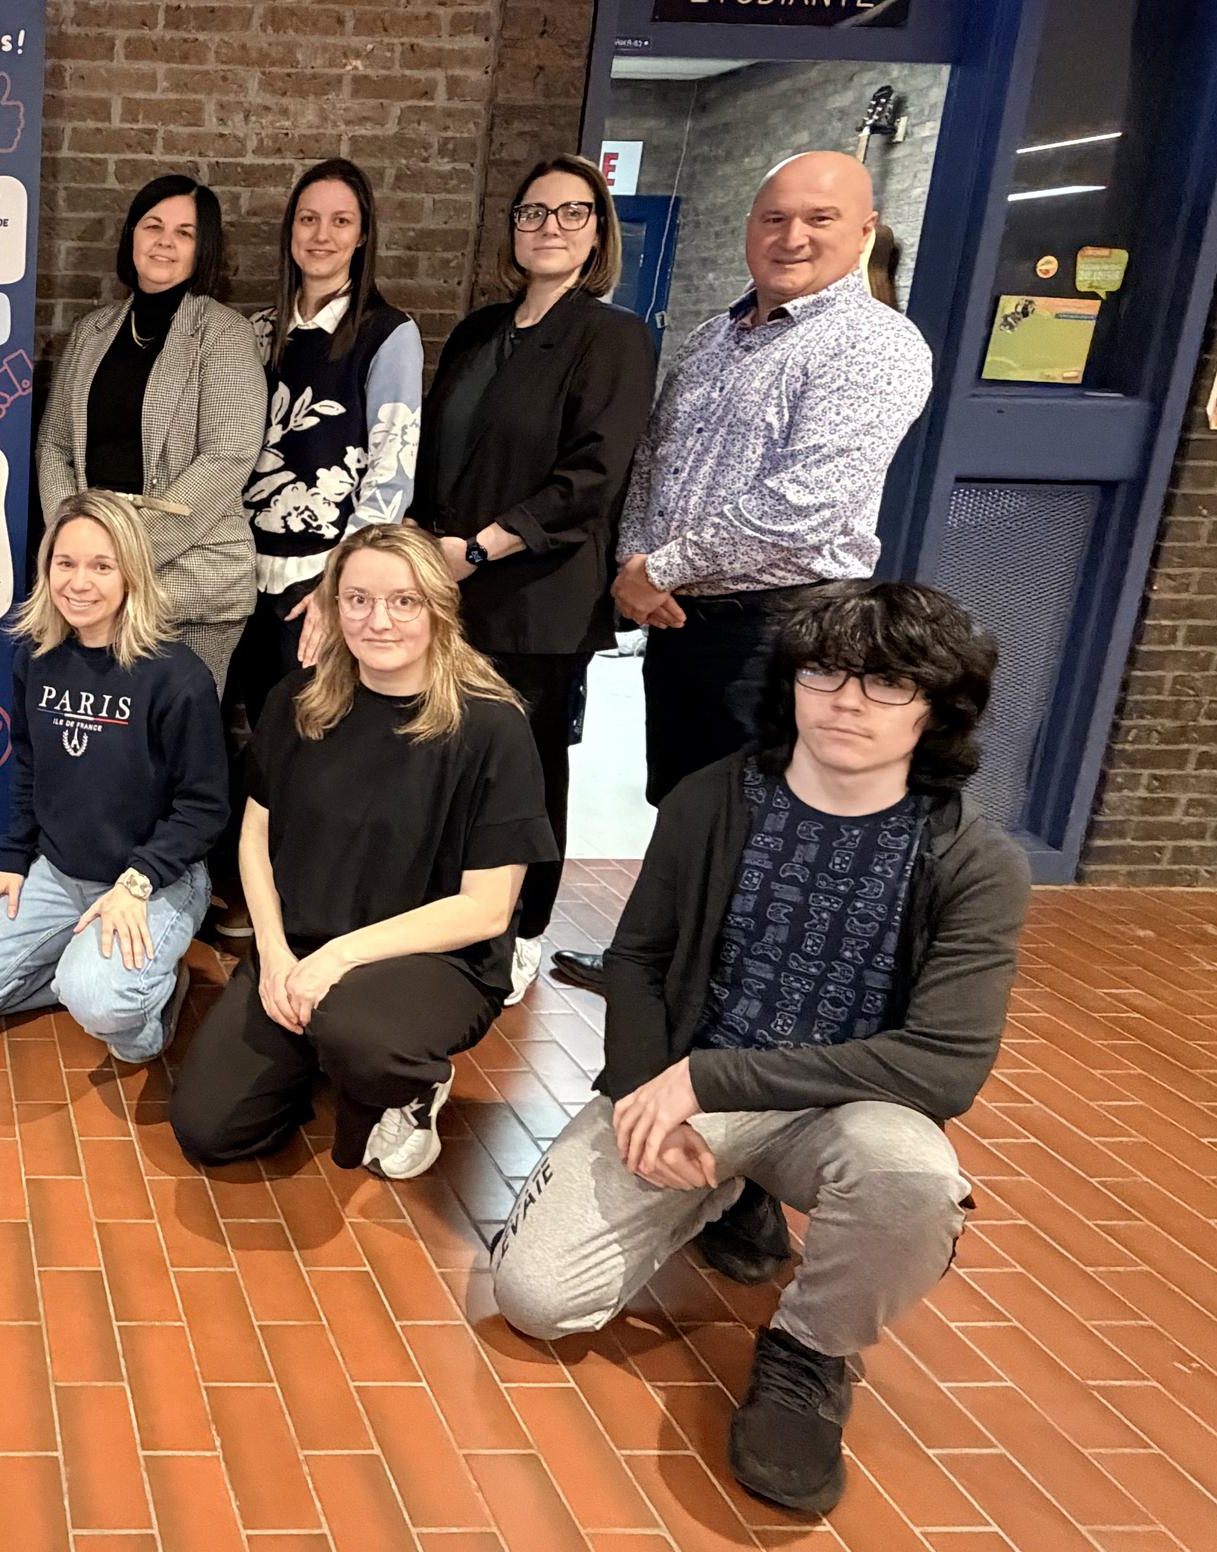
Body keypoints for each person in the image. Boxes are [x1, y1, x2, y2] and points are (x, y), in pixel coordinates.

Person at [493, 582, 1026, 1517]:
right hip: (690, 1088)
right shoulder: (714, 799)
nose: (847, 701)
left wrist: (706, 1078)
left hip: (841, 1112)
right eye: (825, 673)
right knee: (537, 1298)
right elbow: (640, 959)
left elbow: (944, 1065)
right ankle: (731, 1191)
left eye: (887, 683)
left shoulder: (973, 861)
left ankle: (809, 1354)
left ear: (939, 709)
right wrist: (641, 1090)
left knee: (913, 1180)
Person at [556, 152, 931, 995]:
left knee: (767, 818)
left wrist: (662, 566)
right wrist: (636, 565)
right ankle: (656, 966)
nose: (791, 237)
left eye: (818, 219)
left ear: (864, 231)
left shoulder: (874, 343)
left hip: (785, 625)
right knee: (687, 804)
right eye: (774, 218)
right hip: (686, 620)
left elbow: (806, 502)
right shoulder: (714, 338)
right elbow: (653, 461)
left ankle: (736, 992)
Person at [170, 525, 553, 1179]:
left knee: (358, 1033)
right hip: (300, 945)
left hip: (430, 961)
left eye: (404, 601)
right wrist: (273, 954)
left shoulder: (492, 726)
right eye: (358, 600)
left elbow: (487, 910)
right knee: (209, 1129)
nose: (379, 621)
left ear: (438, 605)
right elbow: (255, 835)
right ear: (334, 606)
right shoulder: (299, 700)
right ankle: (326, 1047)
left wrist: (337, 960)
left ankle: (409, 1085)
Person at [413, 156, 655, 1002]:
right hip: (448, 585)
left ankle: (520, 927)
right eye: (533, 212)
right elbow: (437, 454)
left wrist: (482, 547)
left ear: (598, 230)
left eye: (571, 212)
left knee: (523, 767)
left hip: (535, 595)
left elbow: (593, 476)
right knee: (449, 753)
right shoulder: (480, 332)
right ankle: (451, 908)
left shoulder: (612, 336)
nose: (549, 226)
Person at [0, 491, 226, 1064]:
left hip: (153, 879)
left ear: (131, 574)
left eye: (101, 566)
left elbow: (203, 808)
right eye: (65, 563)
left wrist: (137, 883)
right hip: (60, 872)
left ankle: (141, 1005)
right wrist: (13, 861)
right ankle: (84, 973)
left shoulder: (178, 677)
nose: (79, 583)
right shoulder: (38, 657)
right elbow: (29, 765)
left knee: (108, 1011)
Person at [36, 175, 266, 689]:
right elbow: (54, 445)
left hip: (189, 583)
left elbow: (227, 458)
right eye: (153, 226)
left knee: (174, 736)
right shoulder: (91, 332)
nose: (165, 241)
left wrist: (123, 556)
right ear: (131, 236)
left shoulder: (225, 333)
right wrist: (76, 546)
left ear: (203, 249)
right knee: (96, 731)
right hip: (91, 587)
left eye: (185, 233)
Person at [237, 158, 422, 680]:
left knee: (313, 723)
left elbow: (391, 471)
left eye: (341, 221)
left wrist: (345, 585)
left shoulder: (388, 334)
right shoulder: (256, 332)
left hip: (321, 578)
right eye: (308, 219)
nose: (322, 235)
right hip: (240, 571)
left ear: (362, 236)